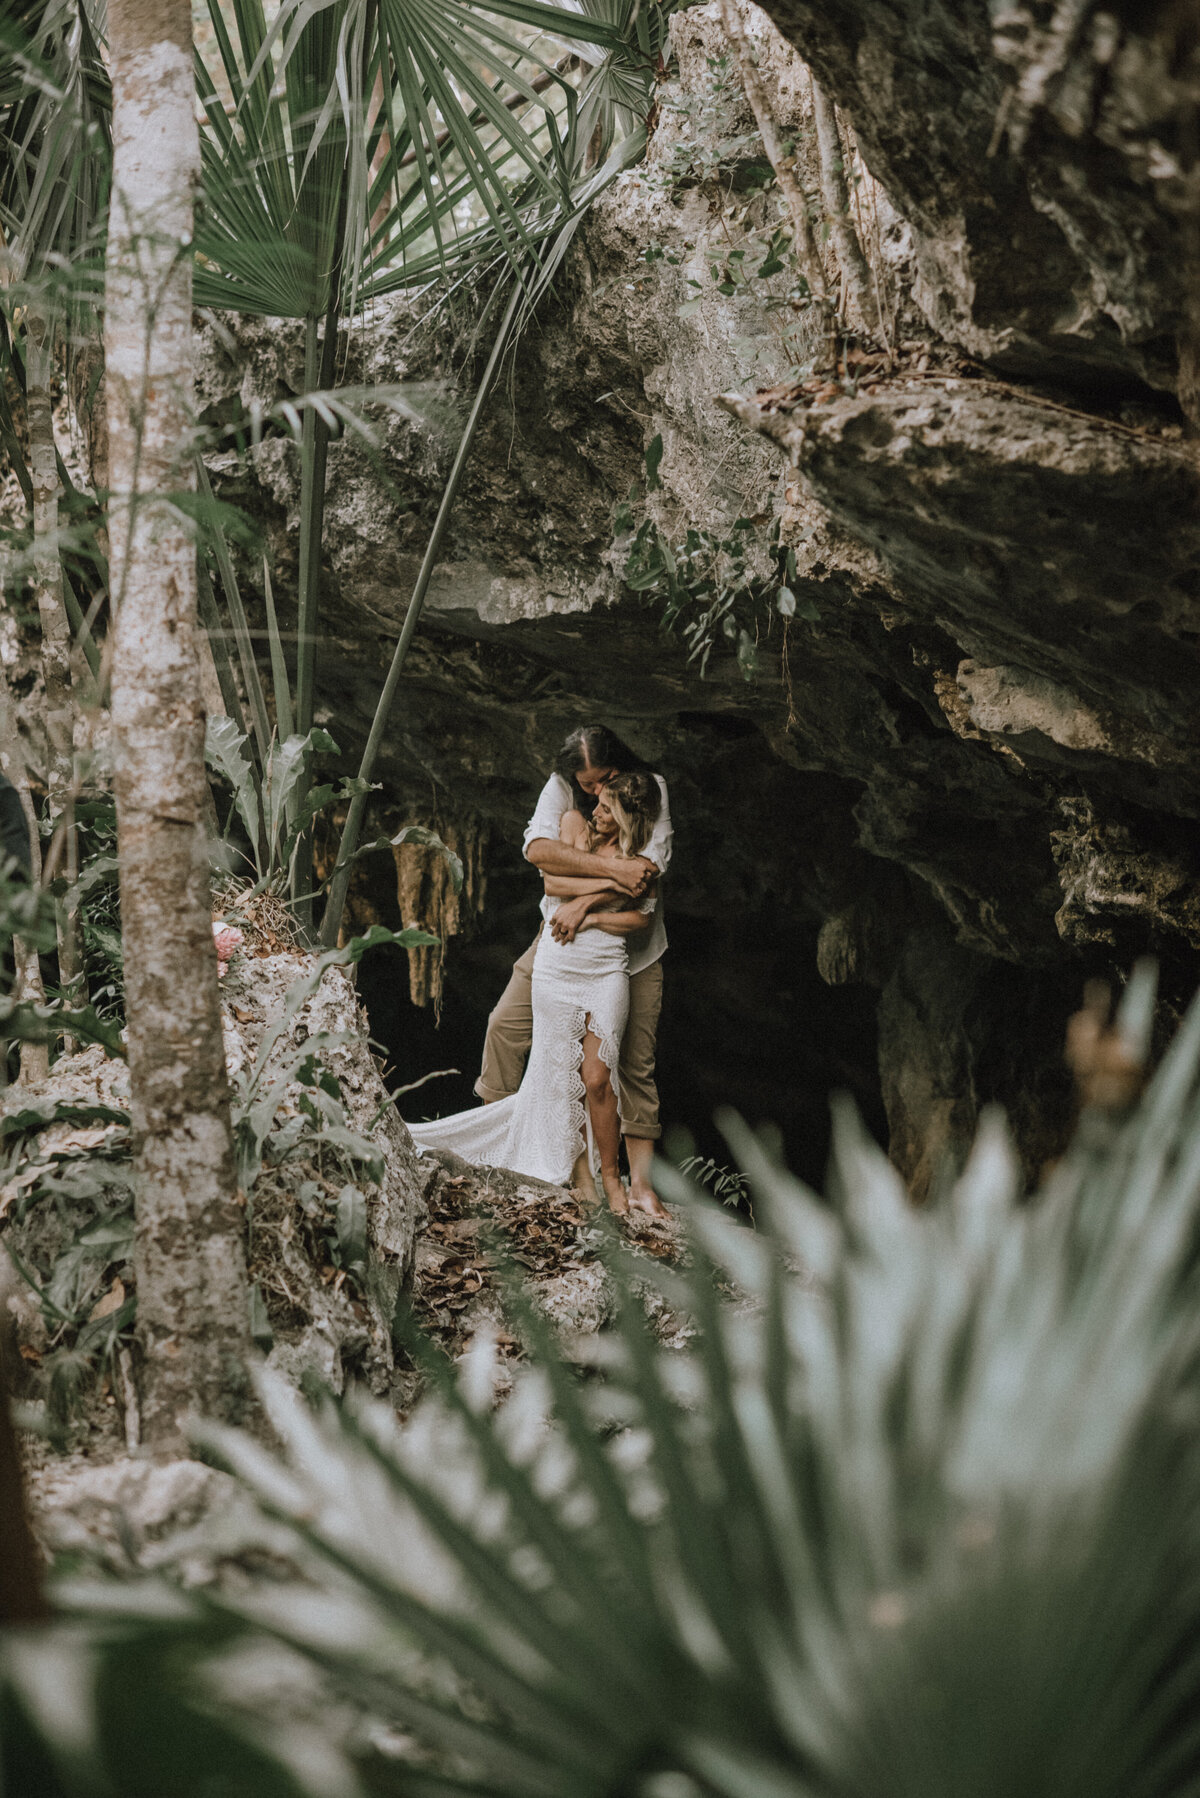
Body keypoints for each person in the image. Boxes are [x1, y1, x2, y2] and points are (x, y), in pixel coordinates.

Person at [409, 774, 662, 1212]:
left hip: (608, 969)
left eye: (605, 808)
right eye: (596, 803)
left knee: (599, 1078)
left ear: (625, 817)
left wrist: (589, 914)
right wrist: (612, 883)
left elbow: (640, 917)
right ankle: (582, 1177)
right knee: (559, 1074)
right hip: (558, 966)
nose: (595, 811)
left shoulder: (645, 859)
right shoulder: (575, 828)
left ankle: (612, 1179)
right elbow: (552, 884)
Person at [476, 726, 672, 1215]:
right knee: (504, 1026)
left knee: (631, 1064)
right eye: (587, 785)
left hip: (634, 952)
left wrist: (583, 903)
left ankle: (639, 1185)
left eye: (604, 781)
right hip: (559, 941)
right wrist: (610, 875)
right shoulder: (562, 791)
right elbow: (540, 855)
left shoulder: (650, 787)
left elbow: (646, 875)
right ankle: (500, 1135)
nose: (595, 793)